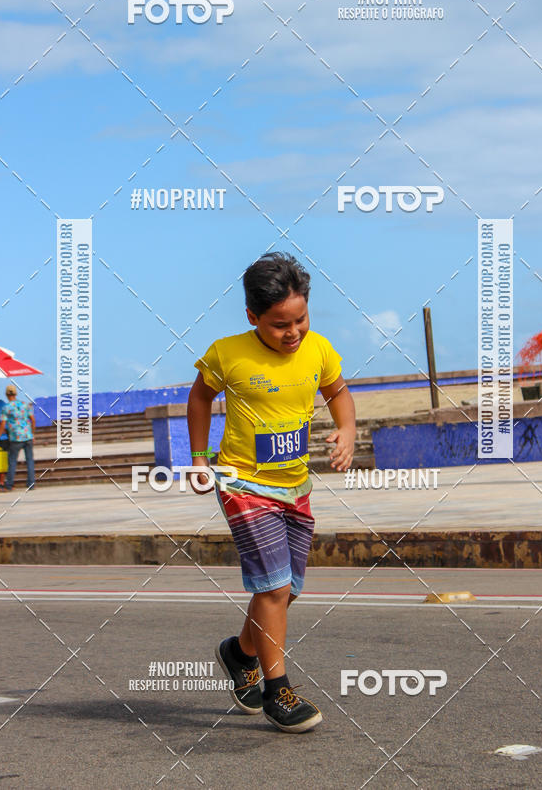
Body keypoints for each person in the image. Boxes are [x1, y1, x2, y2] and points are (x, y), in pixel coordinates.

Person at [187, 252, 356, 733]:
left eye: (300, 319)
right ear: (252, 318)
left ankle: (241, 653)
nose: (293, 333)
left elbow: (339, 392)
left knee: (287, 590)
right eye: (280, 324)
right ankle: (276, 689)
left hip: (294, 486)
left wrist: (345, 431)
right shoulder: (228, 353)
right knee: (274, 587)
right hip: (242, 483)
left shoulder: (318, 349)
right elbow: (200, 396)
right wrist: (199, 460)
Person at [0, 384, 36, 492]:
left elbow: (2, 425)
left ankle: (9, 484)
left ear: (7, 394)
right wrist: (32, 434)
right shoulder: (24, 405)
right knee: (30, 461)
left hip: (15, 438)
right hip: (28, 437)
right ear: (16, 393)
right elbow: (33, 420)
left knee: (12, 462)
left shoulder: (6, 407)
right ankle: (31, 484)